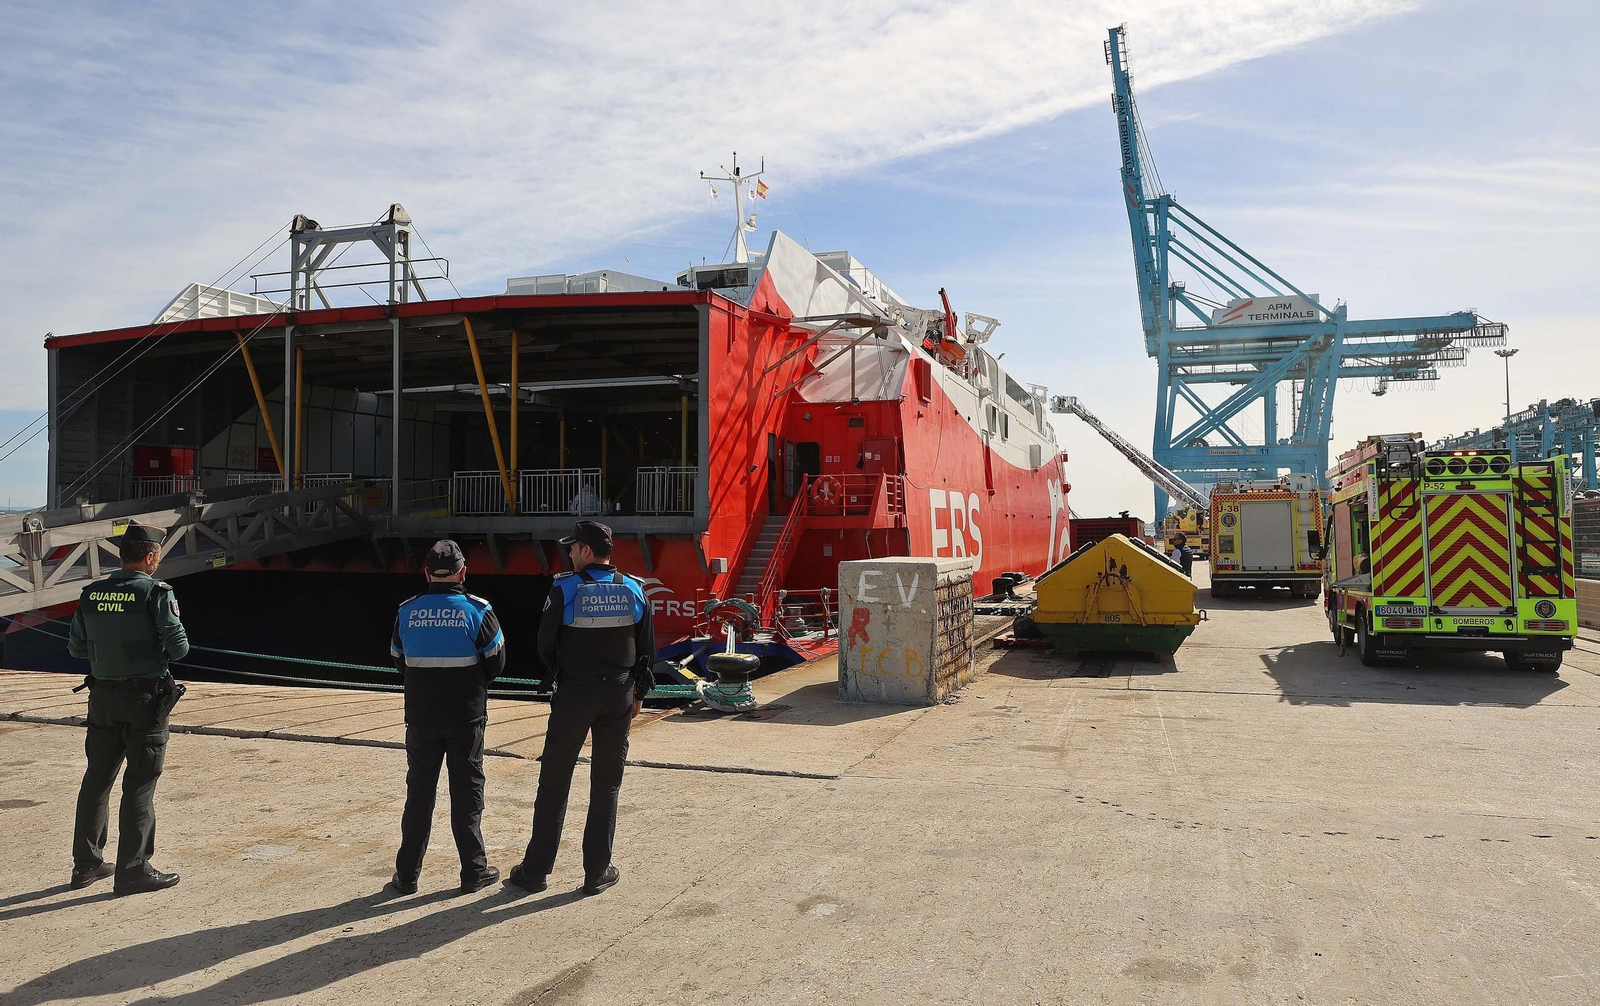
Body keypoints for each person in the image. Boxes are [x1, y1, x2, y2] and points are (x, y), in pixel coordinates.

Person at [508, 520, 654, 897]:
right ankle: (597, 871)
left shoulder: (564, 588)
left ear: (586, 551)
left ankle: (535, 871)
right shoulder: (635, 589)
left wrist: (567, 670)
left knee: (554, 782)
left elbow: (545, 645)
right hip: (620, 694)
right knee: (606, 784)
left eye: (573, 548)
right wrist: (638, 693)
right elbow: (645, 648)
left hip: (575, 694)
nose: (569, 553)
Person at [67, 522, 188, 896]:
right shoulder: (155, 593)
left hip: (102, 699)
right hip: (145, 702)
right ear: (151, 557)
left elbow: (76, 648)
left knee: (96, 781)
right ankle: (133, 870)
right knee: (139, 785)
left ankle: (86, 866)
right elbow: (179, 648)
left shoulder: (91, 593)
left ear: (123, 556)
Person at [388, 540, 506, 895]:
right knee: (467, 792)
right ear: (463, 572)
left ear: (426, 573)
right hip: (466, 717)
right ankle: (473, 871)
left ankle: (407, 875)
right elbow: (496, 661)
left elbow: (399, 659)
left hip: (421, 717)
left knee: (419, 795)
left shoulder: (407, 611)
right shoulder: (478, 610)